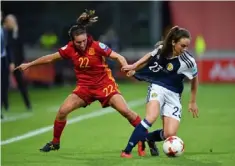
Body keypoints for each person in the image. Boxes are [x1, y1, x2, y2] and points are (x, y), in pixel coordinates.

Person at [15, 9, 158, 156]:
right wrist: (29, 64)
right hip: (85, 88)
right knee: (62, 111)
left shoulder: (96, 46)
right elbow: (50, 58)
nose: (82, 44)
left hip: (105, 85)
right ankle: (55, 143)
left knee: (126, 111)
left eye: (84, 41)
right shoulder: (70, 49)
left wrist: (125, 65)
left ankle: (145, 138)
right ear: (72, 41)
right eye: (79, 42)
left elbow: (117, 56)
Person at [120, 26, 199, 158]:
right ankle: (127, 150)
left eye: (187, 46)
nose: (185, 49)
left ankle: (147, 139)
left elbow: (194, 79)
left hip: (173, 94)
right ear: (174, 42)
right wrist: (134, 66)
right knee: (151, 117)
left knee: (169, 134)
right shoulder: (162, 49)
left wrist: (192, 101)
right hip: (158, 87)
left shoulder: (188, 61)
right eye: (182, 46)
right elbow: (149, 56)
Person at [4, 14, 32, 111]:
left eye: (13, 21)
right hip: (6, 62)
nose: (12, 23)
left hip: (17, 63)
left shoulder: (17, 33)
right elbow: (8, 47)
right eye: (9, 21)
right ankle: (5, 106)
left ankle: (28, 104)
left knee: (21, 83)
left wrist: (20, 62)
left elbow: (20, 48)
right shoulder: (4, 33)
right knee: (4, 85)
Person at [1, 11, 15, 118]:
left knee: (4, 85)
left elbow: (8, 47)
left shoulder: (3, 31)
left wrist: (10, 61)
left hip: (3, 60)